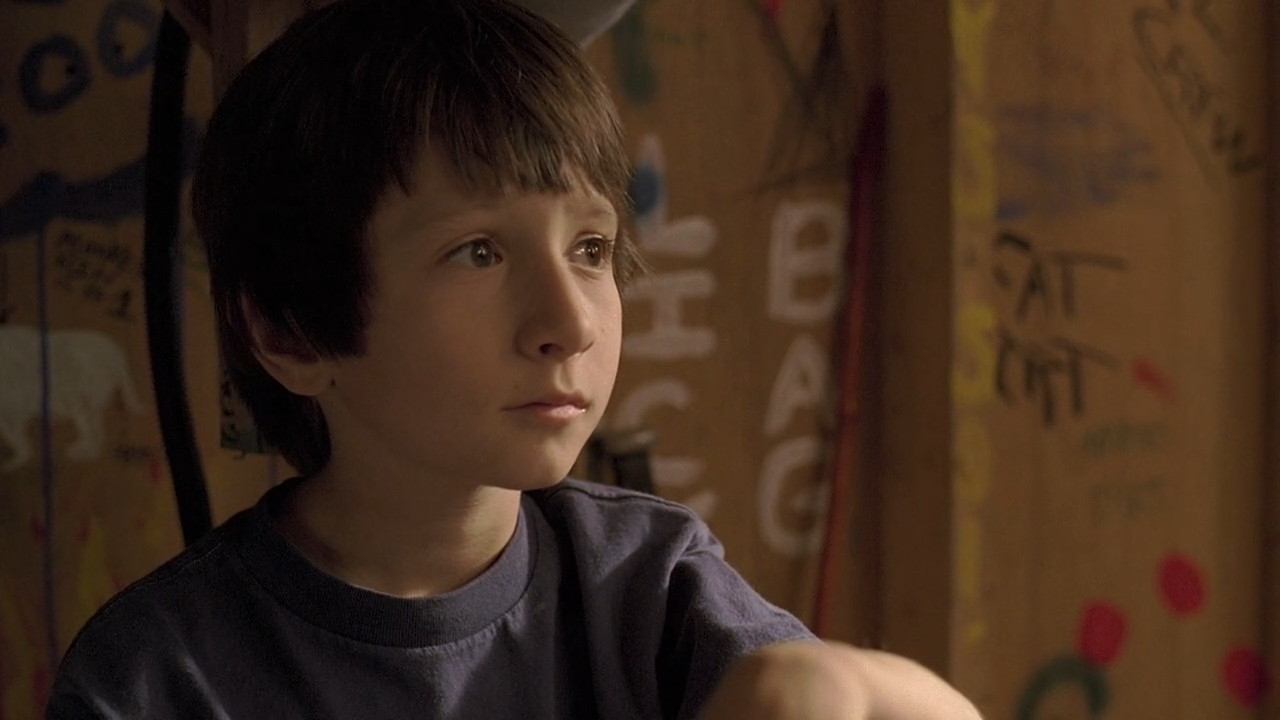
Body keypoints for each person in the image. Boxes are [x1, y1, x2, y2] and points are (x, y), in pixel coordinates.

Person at [47, 0, 981, 717]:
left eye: (591, 249)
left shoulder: (647, 584)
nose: (569, 322)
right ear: (292, 333)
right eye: (479, 253)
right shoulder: (157, 675)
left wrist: (814, 684)